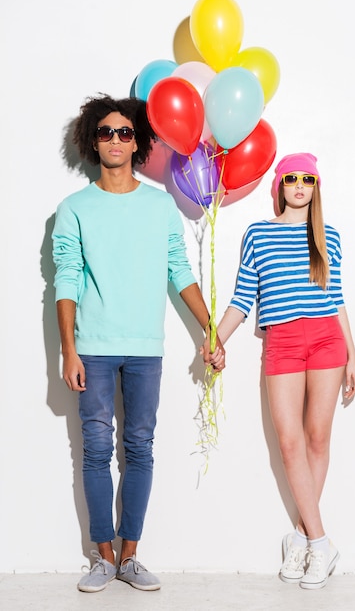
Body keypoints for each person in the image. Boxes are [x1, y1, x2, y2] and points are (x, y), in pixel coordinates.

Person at [52, 93, 225, 594]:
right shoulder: (74, 209)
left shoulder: (159, 205)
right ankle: (102, 557)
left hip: (146, 347)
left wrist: (209, 329)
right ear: (92, 141)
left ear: (137, 142)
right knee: (96, 449)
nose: (115, 140)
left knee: (140, 448)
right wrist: (69, 349)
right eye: (105, 132)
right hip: (94, 348)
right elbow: (66, 281)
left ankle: (130, 556)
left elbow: (179, 271)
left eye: (124, 132)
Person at [206, 152, 355, 589]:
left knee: (316, 437)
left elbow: (338, 299)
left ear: (315, 187)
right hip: (283, 342)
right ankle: (321, 541)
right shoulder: (257, 234)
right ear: (279, 184)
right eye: (291, 177)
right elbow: (242, 299)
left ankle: (301, 539)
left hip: (328, 339)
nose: (299, 185)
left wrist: (354, 354)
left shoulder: (328, 237)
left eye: (307, 179)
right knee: (290, 443)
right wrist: (217, 339)